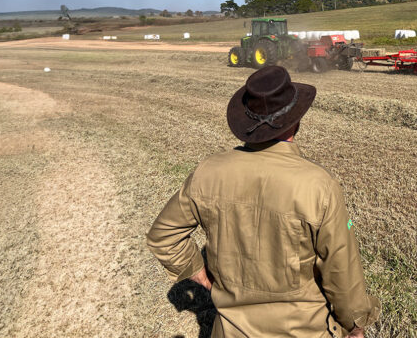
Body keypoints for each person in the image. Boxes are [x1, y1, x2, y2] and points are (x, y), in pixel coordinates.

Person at [147, 65, 381, 337]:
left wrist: (200, 274)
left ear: (246, 125)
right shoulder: (318, 185)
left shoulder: (207, 173)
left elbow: (162, 236)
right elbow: (341, 270)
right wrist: (355, 324)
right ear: (296, 120)